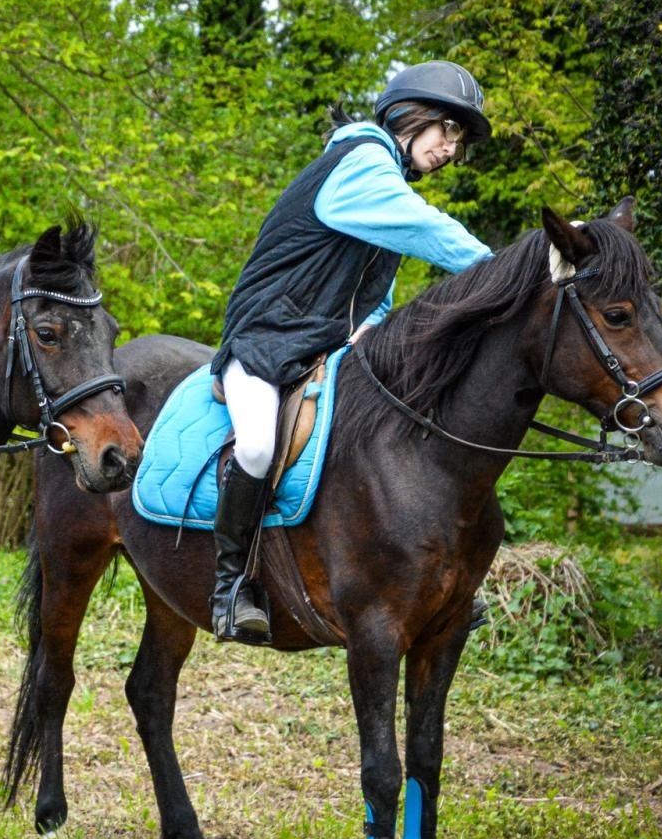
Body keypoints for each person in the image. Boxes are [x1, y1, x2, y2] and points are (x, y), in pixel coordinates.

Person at [207, 59, 496, 644]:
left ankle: (437, 577)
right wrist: (502, 268)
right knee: (257, 445)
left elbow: (376, 295)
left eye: (460, 141)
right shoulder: (362, 161)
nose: (450, 149)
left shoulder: (387, 185)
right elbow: (427, 230)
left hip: (325, 350)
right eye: (447, 129)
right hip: (265, 342)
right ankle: (231, 584)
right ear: (409, 115)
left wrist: (372, 329)